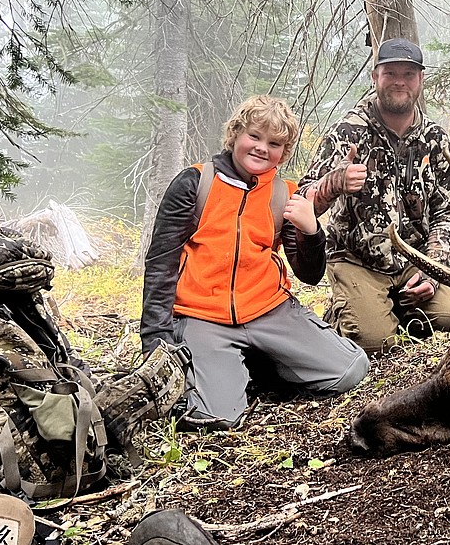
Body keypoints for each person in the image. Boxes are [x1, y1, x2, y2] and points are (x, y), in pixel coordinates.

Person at [140, 95, 369, 428]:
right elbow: (160, 266)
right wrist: (156, 341)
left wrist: (311, 230)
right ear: (235, 135)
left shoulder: (284, 194)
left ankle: (257, 362)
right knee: (213, 416)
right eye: (254, 136)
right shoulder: (195, 183)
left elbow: (309, 274)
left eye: (274, 143)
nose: (262, 148)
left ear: (284, 152)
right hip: (203, 316)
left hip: (269, 310)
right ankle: (230, 369)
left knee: (349, 369)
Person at [299, 38, 450, 353]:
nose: (399, 81)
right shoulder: (346, 132)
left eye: (408, 73)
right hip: (357, 260)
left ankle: (390, 308)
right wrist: (334, 183)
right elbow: (303, 200)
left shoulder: (435, 139)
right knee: (375, 343)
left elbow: (447, 214)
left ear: (420, 80)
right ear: (375, 77)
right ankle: (343, 313)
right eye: (390, 73)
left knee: (448, 321)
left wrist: (433, 270)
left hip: (416, 258)